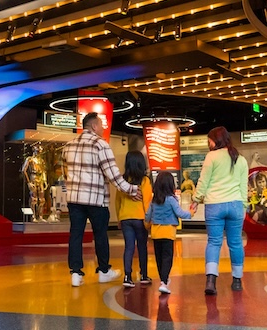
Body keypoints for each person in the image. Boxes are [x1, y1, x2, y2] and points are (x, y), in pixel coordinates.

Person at [62, 112, 140, 287]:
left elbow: (65, 172)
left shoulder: (68, 145)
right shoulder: (100, 145)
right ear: (94, 126)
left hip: (74, 199)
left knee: (76, 235)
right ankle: (104, 271)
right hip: (96, 199)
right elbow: (113, 175)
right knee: (100, 235)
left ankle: (76, 273)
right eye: (101, 125)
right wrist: (131, 190)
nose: (103, 128)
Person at [190, 126, 249, 294]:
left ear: (215, 139)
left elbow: (203, 181)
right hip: (236, 205)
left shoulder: (212, 156)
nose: (208, 143)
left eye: (209, 140)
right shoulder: (241, 159)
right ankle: (237, 281)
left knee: (214, 242)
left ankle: (211, 281)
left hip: (214, 205)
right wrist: (243, 206)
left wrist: (195, 200)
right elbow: (243, 186)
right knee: (236, 243)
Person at [145, 171, 192, 294]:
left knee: (159, 258)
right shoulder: (171, 199)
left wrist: (147, 224)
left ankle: (163, 279)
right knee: (167, 258)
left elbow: (147, 216)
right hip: (168, 233)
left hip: (156, 233)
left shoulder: (154, 200)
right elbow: (180, 213)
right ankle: (164, 282)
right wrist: (190, 213)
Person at [114, 150, 153, 287]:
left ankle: (127, 276)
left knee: (129, 247)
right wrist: (149, 220)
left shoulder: (122, 181)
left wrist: (119, 218)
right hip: (140, 218)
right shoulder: (144, 181)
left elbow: (117, 201)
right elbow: (147, 202)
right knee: (142, 246)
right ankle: (143, 275)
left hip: (125, 218)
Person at [21, 144, 48, 222]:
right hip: (33, 177)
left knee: (42, 199)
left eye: (40, 151)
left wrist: (45, 181)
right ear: (34, 150)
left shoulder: (41, 160)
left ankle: (40, 216)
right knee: (34, 198)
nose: (39, 152)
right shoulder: (30, 159)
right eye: (37, 150)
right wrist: (28, 182)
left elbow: (43, 171)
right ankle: (33, 216)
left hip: (40, 178)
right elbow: (24, 170)